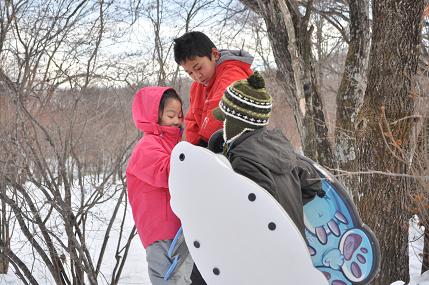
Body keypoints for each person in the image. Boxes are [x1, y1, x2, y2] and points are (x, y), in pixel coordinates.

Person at [212, 72, 325, 236]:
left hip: (267, 254)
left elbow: (255, 218)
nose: (222, 126)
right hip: (295, 247)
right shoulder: (279, 147)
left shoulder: (244, 161)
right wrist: (291, 204)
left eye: (224, 120)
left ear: (237, 123)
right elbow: (313, 183)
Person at [126, 87, 193, 285]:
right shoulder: (147, 147)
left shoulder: (173, 144)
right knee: (171, 280)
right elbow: (169, 174)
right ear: (154, 115)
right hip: (162, 231)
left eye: (179, 115)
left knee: (182, 279)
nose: (177, 121)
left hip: (178, 229)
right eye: (171, 115)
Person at [173, 31, 253, 147]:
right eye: (190, 73)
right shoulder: (197, 87)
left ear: (215, 54)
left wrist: (203, 144)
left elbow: (221, 108)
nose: (197, 76)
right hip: (212, 149)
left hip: (241, 148)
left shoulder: (233, 73)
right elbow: (192, 122)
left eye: (199, 67)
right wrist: (192, 147)